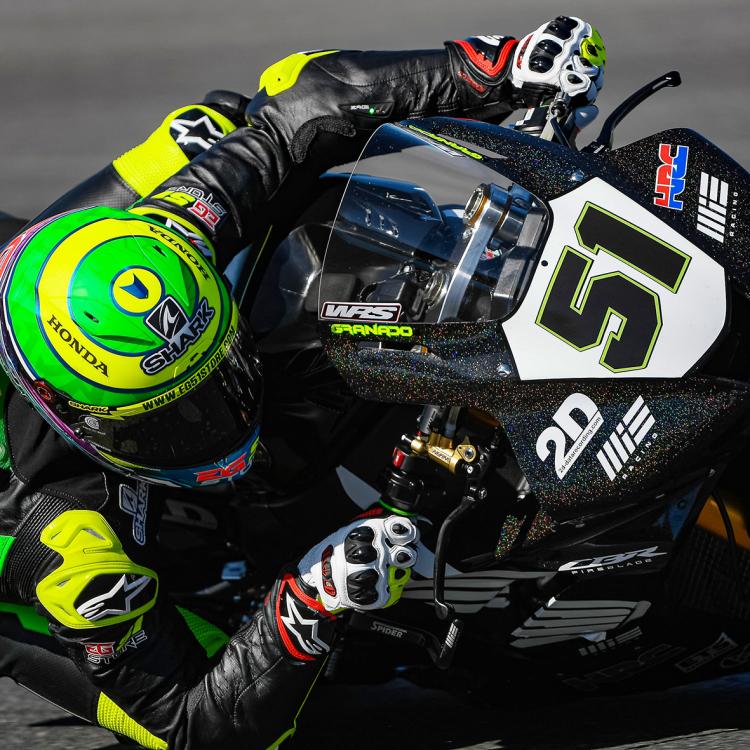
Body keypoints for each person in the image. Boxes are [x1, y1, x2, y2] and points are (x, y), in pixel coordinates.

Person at [0, 18, 605, 749]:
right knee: (219, 715)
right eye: (177, 416)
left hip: (56, 293)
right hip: (47, 553)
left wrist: (496, 69)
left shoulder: (169, 232)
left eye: (216, 380)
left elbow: (301, 105)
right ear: (76, 417)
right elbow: (194, 727)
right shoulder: (61, 545)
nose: (219, 416)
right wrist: (305, 606)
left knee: (206, 130)